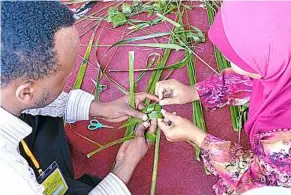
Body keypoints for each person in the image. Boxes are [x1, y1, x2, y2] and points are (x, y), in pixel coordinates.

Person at [0, 2, 158, 195]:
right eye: (63, 78)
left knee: (44, 114)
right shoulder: (11, 179)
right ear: (26, 92)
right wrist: (124, 166)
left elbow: (33, 101)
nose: (67, 81)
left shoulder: (7, 86)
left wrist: (100, 108)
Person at [156, 1, 291, 195]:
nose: (228, 60)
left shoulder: (284, 142)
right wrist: (193, 91)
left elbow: (257, 179)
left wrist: (198, 138)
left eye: (237, 57)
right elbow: (249, 81)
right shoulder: (282, 62)